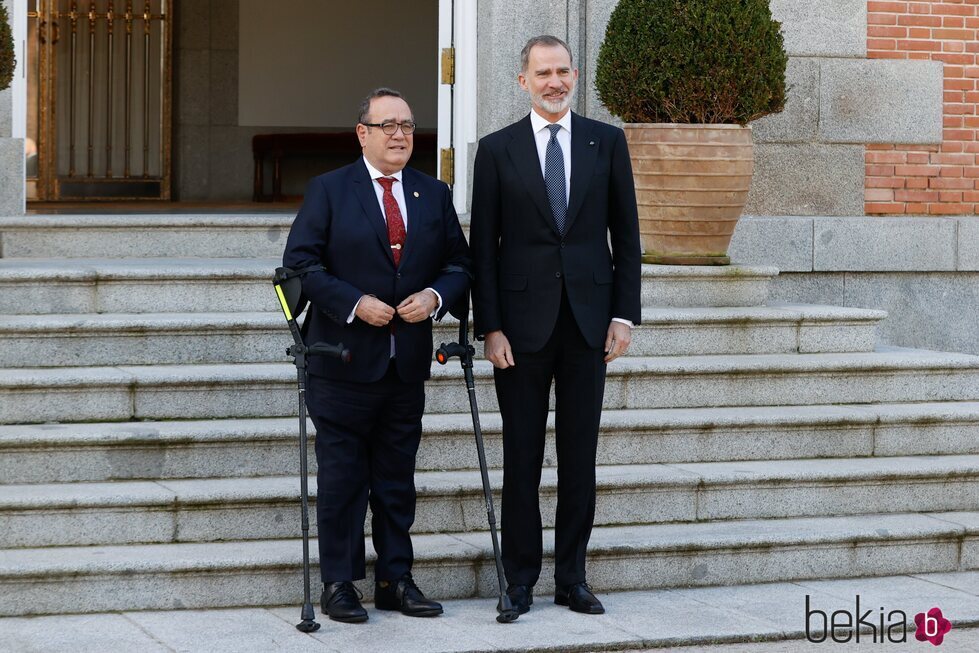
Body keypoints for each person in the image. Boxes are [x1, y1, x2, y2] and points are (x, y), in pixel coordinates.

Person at [283, 88, 470, 623]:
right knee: (343, 478)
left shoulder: (433, 194)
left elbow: (460, 265)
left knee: (395, 479)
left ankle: (395, 579)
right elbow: (300, 265)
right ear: (362, 133)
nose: (400, 135)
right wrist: (353, 303)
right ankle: (340, 583)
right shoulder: (329, 191)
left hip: (405, 363)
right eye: (387, 125)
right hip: (341, 360)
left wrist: (435, 298)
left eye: (408, 125)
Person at [469, 35, 641, 616]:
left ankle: (572, 576)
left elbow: (628, 238)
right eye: (543, 72)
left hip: (589, 326)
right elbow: (483, 250)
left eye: (564, 71)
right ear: (523, 81)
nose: (555, 81)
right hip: (519, 331)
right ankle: (519, 579)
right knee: (521, 456)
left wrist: (623, 314)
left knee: (579, 458)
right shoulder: (495, 151)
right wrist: (489, 327)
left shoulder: (607, 142)